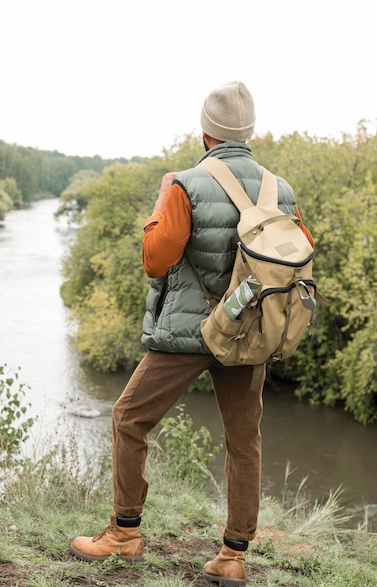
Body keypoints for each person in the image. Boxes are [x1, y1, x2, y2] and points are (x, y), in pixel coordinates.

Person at [70, 81, 313, 585]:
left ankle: (125, 532)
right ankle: (233, 557)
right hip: (252, 333)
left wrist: (163, 200)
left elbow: (155, 261)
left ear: (205, 133)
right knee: (244, 440)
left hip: (191, 332)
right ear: (250, 132)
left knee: (129, 418)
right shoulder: (281, 191)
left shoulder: (185, 183)